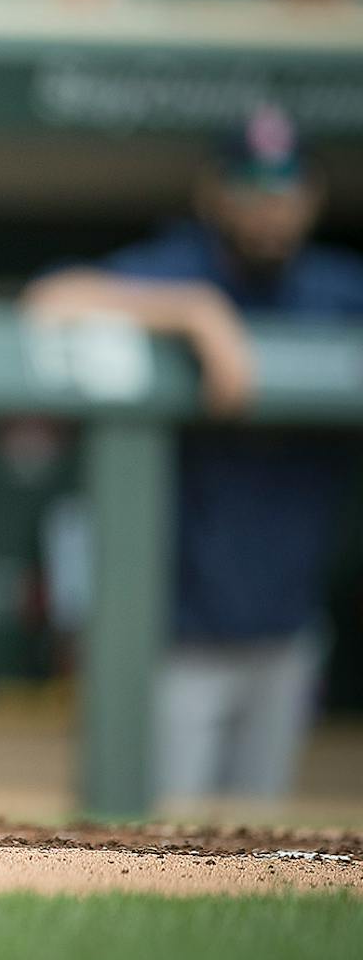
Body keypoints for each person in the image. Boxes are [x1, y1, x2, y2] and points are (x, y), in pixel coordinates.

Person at [21, 106, 363, 804]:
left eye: (286, 189)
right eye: (252, 186)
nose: (270, 207)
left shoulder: (335, 289)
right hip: (174, 637)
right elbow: (49, 301)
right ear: (215, 191)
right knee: (160, 840)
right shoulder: (180, 268)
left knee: (255, 851)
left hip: (288, 633)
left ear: (313, 197)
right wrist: (195, 312)